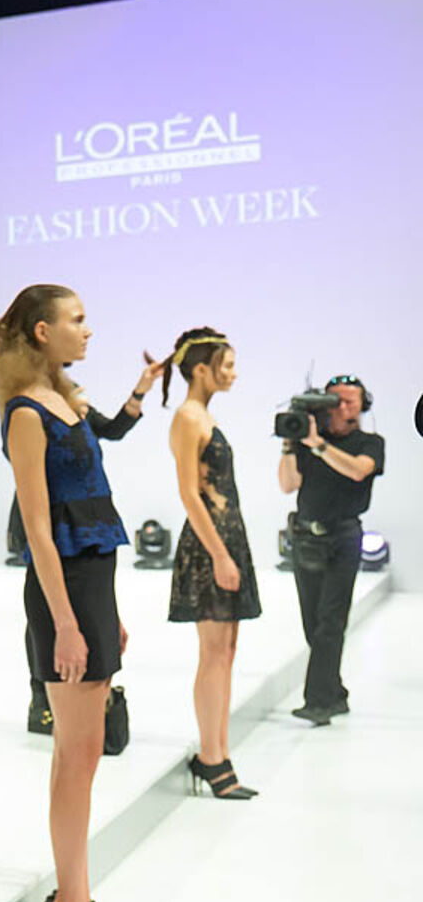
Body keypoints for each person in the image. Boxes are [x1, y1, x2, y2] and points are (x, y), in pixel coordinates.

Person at [0, 284, 135, 902]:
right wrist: (66, 623)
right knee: (77, 757)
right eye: (76, 320)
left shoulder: (64, 400)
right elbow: (37, 527)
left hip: (92, 586)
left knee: (84, 753)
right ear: (41, 331)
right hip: (65, 595)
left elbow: (92, 511)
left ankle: (74, 901)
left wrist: (108, 612)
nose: (88, 330)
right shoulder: (26, 412)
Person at [20, 355, 162, 735]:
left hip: (87, 529)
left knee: (74, 621)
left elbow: (114, 429)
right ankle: (42, 699)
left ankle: (54, 700)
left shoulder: (72, 409)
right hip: (55, 521)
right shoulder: (29, 413)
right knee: (46, 618)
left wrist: (141, 390)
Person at [159, 329, 261, 797]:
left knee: (225, 653)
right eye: (227, 365)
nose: (233, 373)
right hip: (209, 544)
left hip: (225, 537)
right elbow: (188, 492)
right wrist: (219, 554)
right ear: (201, 369)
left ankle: (218, 753)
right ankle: (213, 758)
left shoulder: (202, 415)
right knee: (215, 654)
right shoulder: (187, 417)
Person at [278, 374, 384, 725]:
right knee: (314, 625)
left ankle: (319, 702)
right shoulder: (307, 442)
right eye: (335, 400)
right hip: (306, 537)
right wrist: (290, 444)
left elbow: (358, 471)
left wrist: (318, 445)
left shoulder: (370, 443)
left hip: (343, 538)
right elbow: (288, 485)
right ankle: (335, 693)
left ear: (362, 405)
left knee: (330, 622)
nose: (342, 407)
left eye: (350, 401)